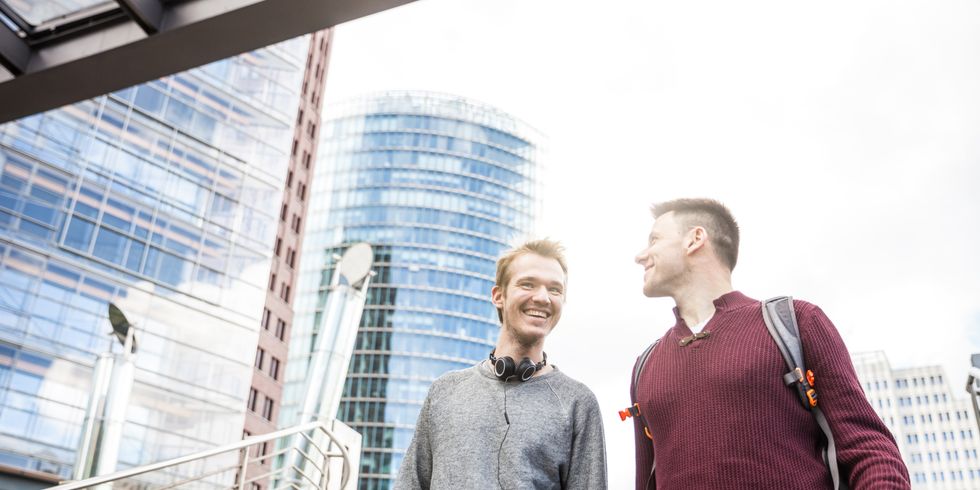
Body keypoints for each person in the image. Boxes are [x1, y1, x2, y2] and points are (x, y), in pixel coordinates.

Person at [630, 198, 909, 489]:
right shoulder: (645, 367)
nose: (640, 256)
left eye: (654, 240)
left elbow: (869, 451)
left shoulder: (798, 322)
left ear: (695, 239)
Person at [395, 239, 607, 489]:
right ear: (498, 296)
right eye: (527, 284)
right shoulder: (444, 391)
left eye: (555, 289)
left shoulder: (578, 403)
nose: (542, 297)